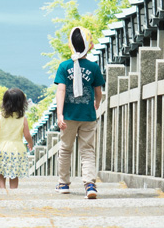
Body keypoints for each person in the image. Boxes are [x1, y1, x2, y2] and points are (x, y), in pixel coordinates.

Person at [54, 26, 105, 199]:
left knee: (65, 149)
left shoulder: (64, 66)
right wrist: (97, 103)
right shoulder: (93, 67)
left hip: (68, 116)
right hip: (87, 116)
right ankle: (90, 185)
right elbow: (98, 92)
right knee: (87, 150)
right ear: (89, 46)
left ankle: (63, 183)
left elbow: (60, 91)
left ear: (70, 45)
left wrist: (60, 115)